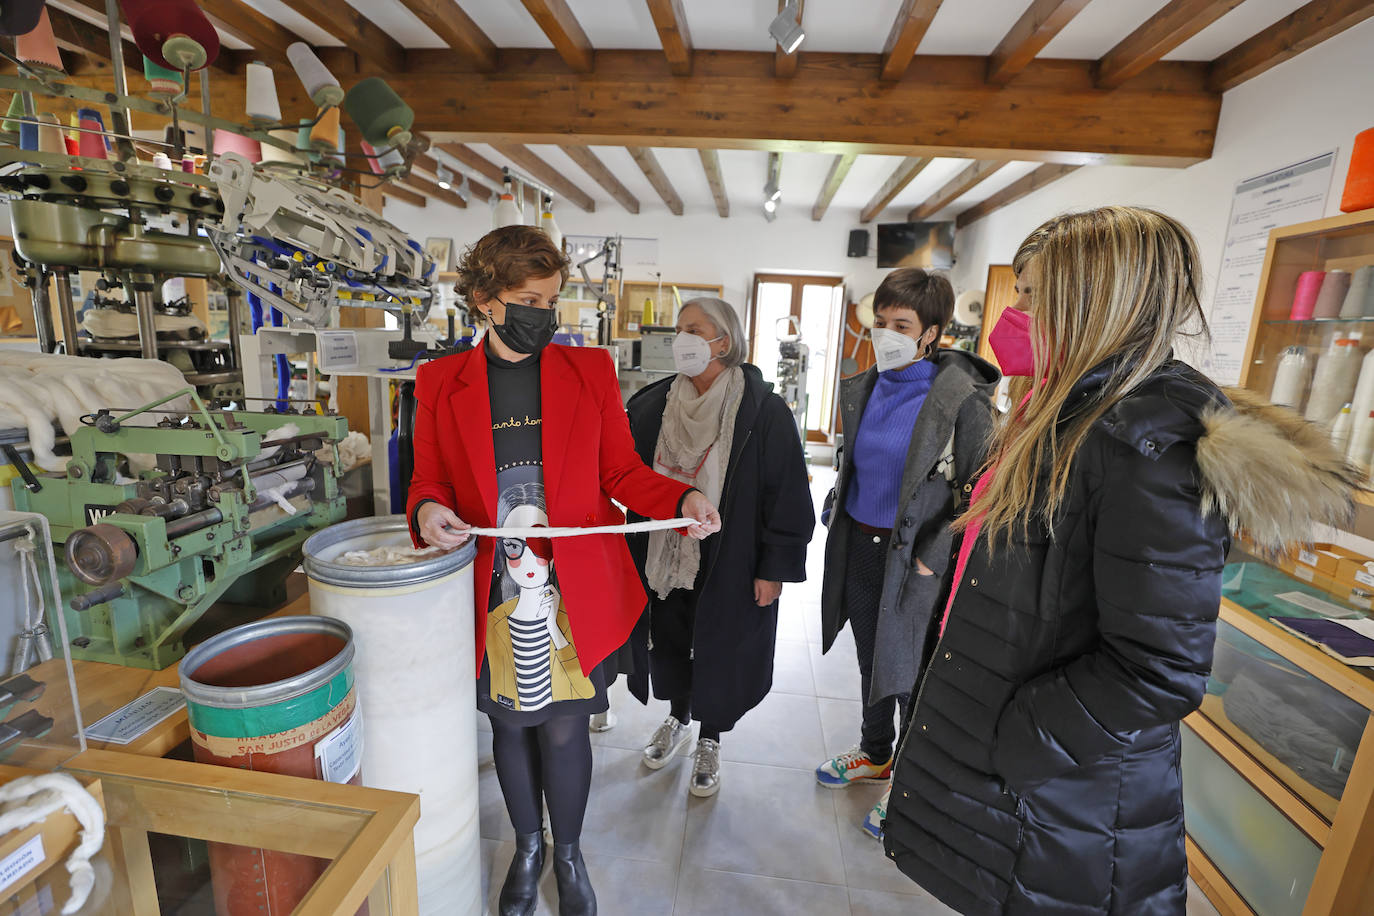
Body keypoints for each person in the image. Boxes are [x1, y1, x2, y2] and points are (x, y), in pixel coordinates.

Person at [882, 206, 1361, 915]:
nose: (1018, 312)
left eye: (1035, 295)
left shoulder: (1145, 446)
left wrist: (1018, 739)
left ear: (1091, 298)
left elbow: (1157, 670)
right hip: (1021, 770)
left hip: (1056, 793)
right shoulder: (1069, 414)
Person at [407, 226, 721, 916]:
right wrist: (429, 512)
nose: (544, 314)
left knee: (564, 727)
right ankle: (527, 849)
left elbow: (622, 473)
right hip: (494, 587)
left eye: (552, 300)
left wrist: (681, 498)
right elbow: (426, 482)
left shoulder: (589, 373)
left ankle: (569, 853)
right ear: (487, 301)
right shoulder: (439, 381)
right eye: (529, 299)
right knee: (511, 726)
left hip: (574, 588)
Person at [811, 268, 998, 840]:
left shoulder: (963, 402)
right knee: (872, 658)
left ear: (932, 333)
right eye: (880, 323)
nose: (885, 335)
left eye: (901, 325)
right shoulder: (865, 384)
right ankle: (875, 753)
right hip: (863, 545)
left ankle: (910, 785)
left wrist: (932, 555)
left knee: (914, 672)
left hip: (915, 559)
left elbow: (981, 492)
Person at [623, 297, 814, 797]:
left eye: (694, 330)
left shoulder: (764, 411)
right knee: (668, 635)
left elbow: (788, 494)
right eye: (679, 329)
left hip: (732, 554)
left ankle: (711, 736)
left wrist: (774, 568)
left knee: (719, 646)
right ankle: (677, 716)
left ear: (723, 342)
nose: (680, 339)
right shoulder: (651, 405)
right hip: (664, 551)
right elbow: (625, 478)